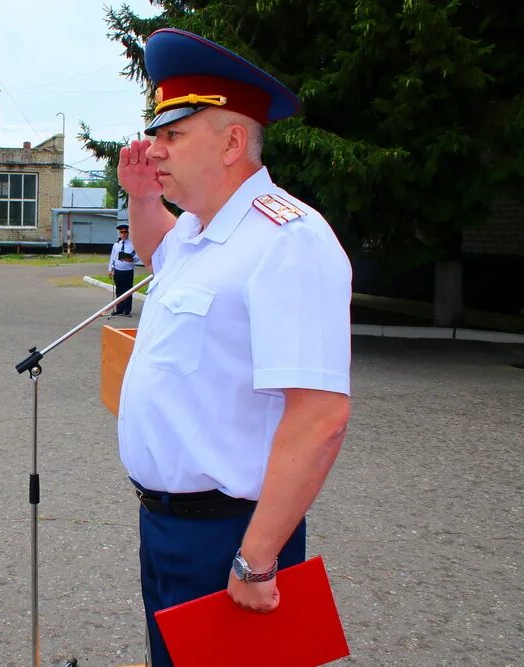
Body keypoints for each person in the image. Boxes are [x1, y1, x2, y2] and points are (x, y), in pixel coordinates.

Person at [115, 29, 352, 666]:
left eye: (173, 135)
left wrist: (256, 560)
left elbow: (320, 416)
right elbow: (156, 247)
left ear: (233, 141)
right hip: (165, 524)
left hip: (230, 535)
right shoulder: (199, 231)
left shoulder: (288, 240)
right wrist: (143, 195)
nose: (154, 148)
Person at [108, 222, 140, 317]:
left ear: (128, 233)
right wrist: (110, 269)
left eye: (125, 232)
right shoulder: (116, 244)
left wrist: (132, 259)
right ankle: (119, 308)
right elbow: (112, 257)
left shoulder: (132, 244)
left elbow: (137, 256)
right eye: (122, 233)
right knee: (119, 290)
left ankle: (127, 309)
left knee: (128, 290)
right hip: (118, 270)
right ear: (119, 233)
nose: (123, 234)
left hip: (128, 270)